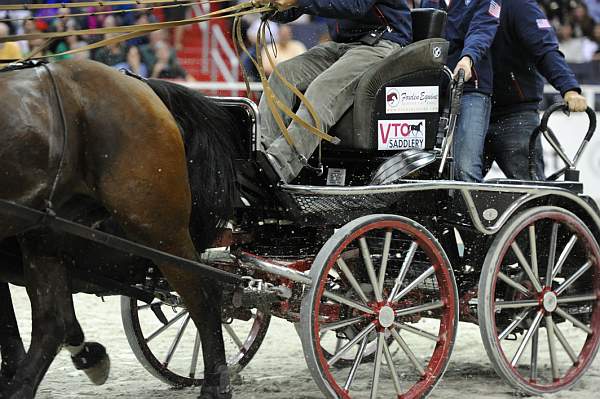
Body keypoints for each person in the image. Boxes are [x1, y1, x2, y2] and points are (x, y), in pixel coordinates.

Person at [254, 0, 412, 183]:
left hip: (382, 44)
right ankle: (260, 153)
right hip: (344, 46)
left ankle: (278, 166)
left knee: (322, 89)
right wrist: (271, 7)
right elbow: (292, 11)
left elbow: (355, 5)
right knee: (283, 74)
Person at [485, 0, 588, 180]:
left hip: (514, 113)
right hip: (471, 109)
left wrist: (569, 88)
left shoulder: (519, 6)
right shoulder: (461, 5)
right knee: (454, 186)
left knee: (531, 192)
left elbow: (546, 50)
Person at [421, 0, 502, 182]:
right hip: (431, 91)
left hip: (469, 87)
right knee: (424, 166)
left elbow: (482, 29)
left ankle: (468, 209)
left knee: (464, 167)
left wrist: (468, 59)